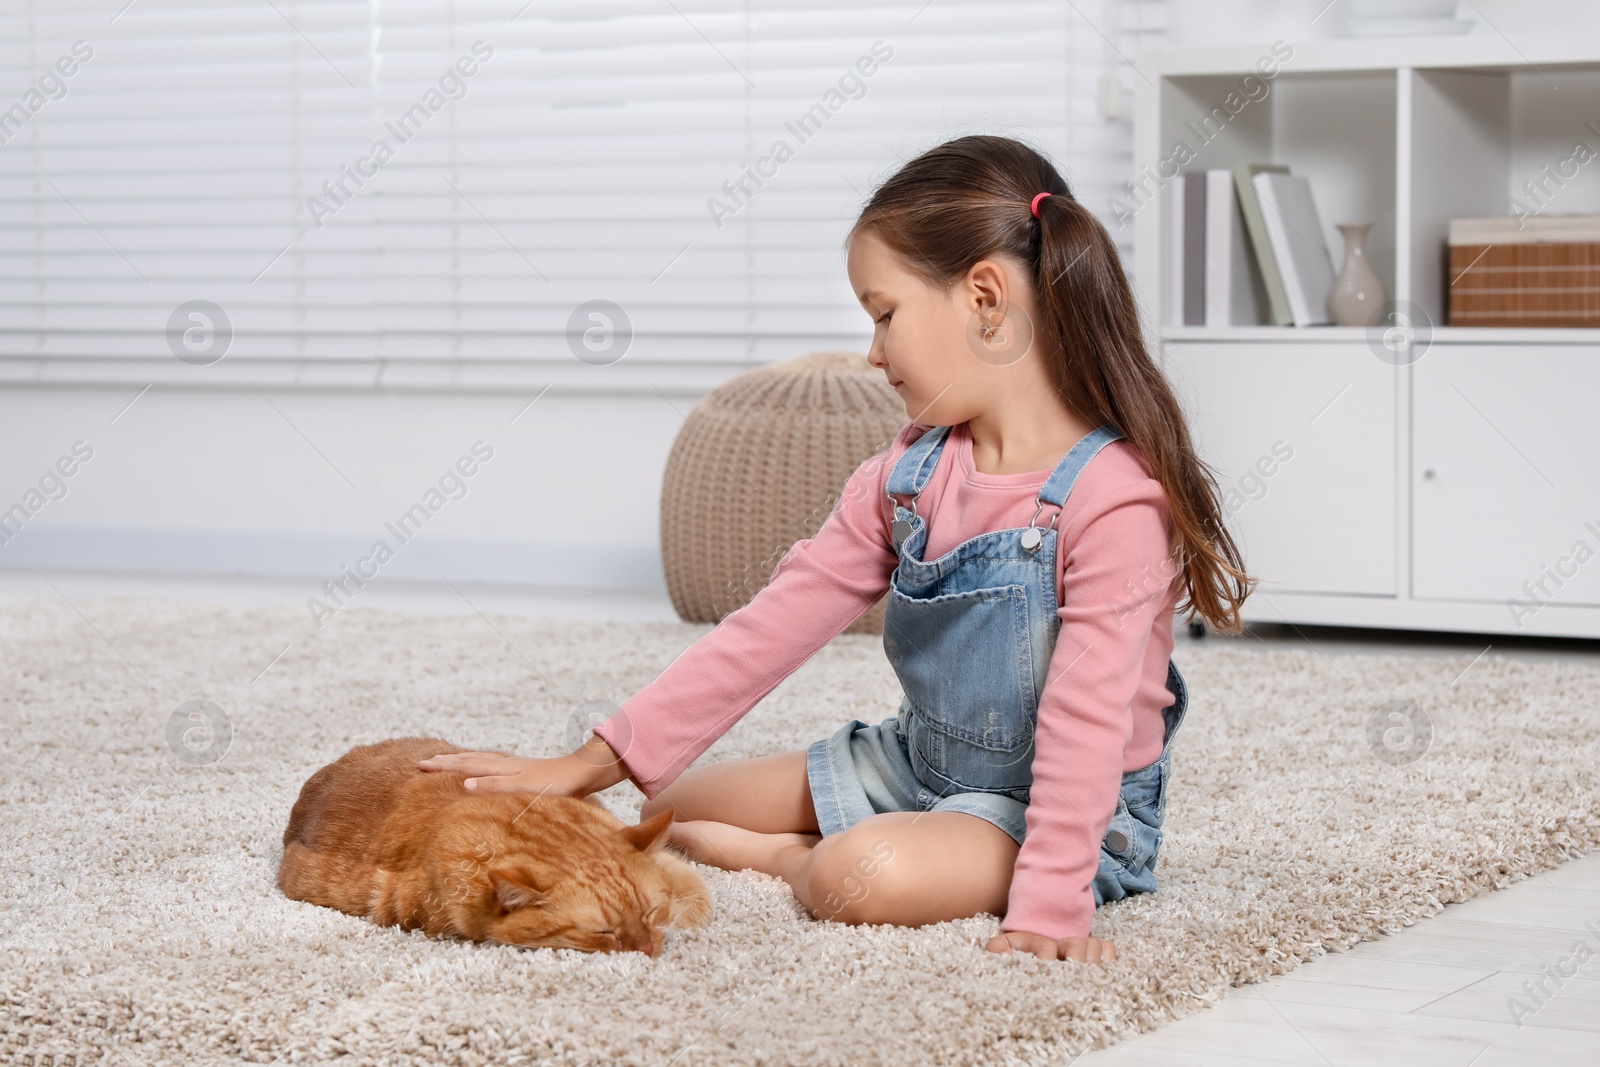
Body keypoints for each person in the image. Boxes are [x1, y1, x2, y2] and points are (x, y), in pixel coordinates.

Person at [420, 134, 1253, 964]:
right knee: (662, 805)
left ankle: (790, 861)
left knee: (861, 875)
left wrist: (1051, 903)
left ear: (986, 299)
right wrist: (591, 761)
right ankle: (865, 826)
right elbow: (775, 623)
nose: (873, 351)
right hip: (916, 764)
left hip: (1065, 811)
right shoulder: (907, 473)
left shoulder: (1114, 499)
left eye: (884, 314)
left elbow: (1087, 719)